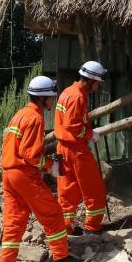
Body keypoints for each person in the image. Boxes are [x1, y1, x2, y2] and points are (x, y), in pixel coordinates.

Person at [0, 76, 81, 262]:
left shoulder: (20, 115)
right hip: (24, 174)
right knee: (52, 213)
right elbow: (30, 154)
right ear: (43, 98)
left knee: (14, 222)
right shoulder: (35, 118)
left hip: (8, 175)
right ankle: (61, 257)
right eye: (52, 98)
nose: (53, 102)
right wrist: (50, 166)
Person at [54, 61, 108, 235]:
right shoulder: (78, 96)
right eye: (99, 82)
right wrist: (90, 134)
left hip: (62, 149)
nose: (99, 86)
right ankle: (93, 227)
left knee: (67, 190)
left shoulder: (67, 92)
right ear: (91, 80)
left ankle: (65, 227)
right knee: (94, 189)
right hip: (76, 150)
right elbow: (74, 125)